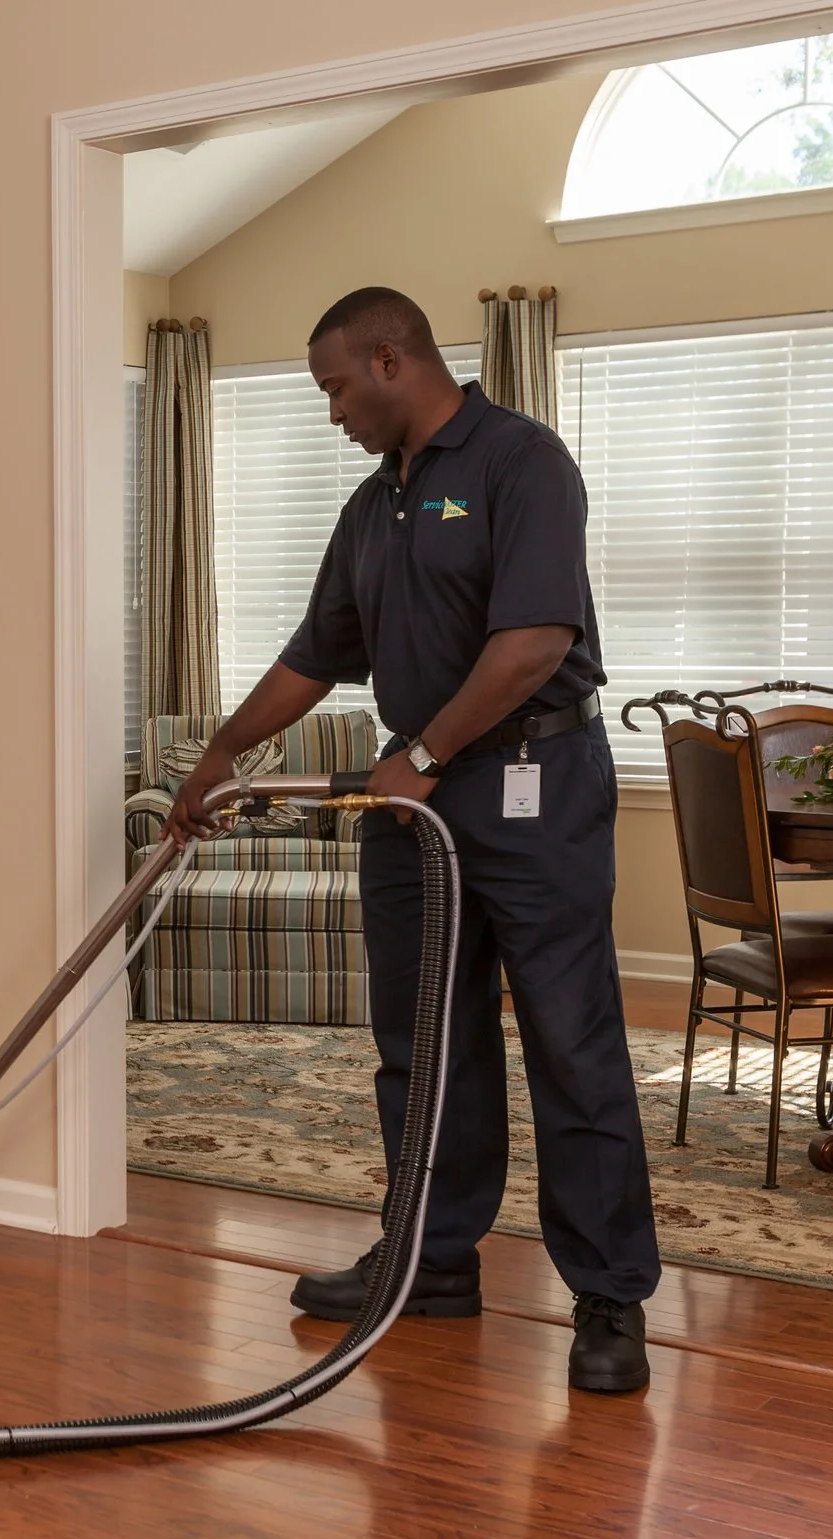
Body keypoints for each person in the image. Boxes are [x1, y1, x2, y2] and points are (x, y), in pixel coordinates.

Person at [163, 286, 659, 1394]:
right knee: (423, 1039)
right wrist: (220, 752)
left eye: (336, 386)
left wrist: (424, 752)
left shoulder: (521, 464)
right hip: (414, 802)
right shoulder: (370, 507)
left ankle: (608, 1295)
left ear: (391, 360)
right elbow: (314, 653)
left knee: (570, 1043)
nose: (331, 409)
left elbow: (533, 642)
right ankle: (431, 1259)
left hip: (529, 783)